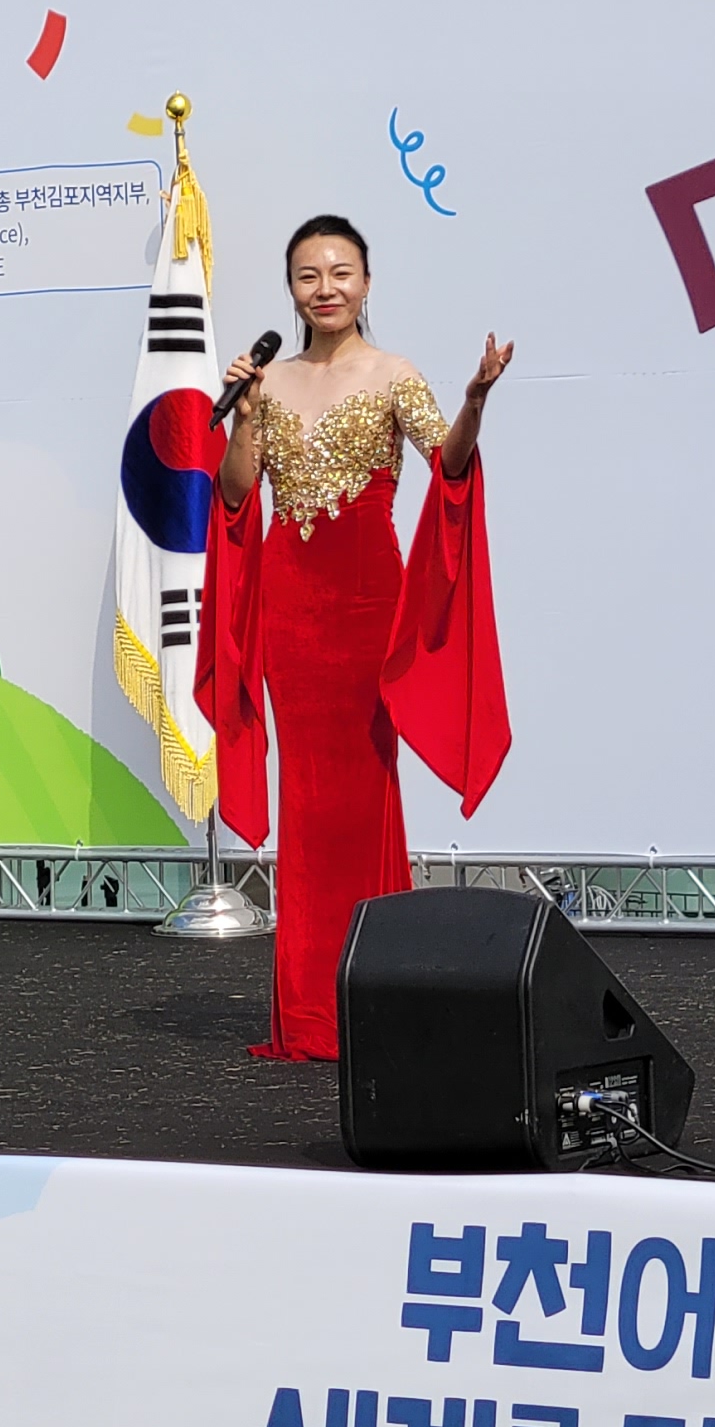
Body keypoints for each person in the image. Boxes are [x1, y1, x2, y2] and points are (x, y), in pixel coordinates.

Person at [201, 216, 513, 1062]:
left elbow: (449, 463)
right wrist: (243, 418)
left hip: (369, 607)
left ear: (367, 283)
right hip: (291, 613)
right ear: (291, 290)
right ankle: (308, 1010)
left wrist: (475, 401)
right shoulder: (269, 381)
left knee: (367, 800)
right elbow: (236, 495)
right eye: (308, 275)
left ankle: (375, 997)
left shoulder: (393, 374)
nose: (326, 287)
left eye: (341, 272)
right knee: (306, 802)